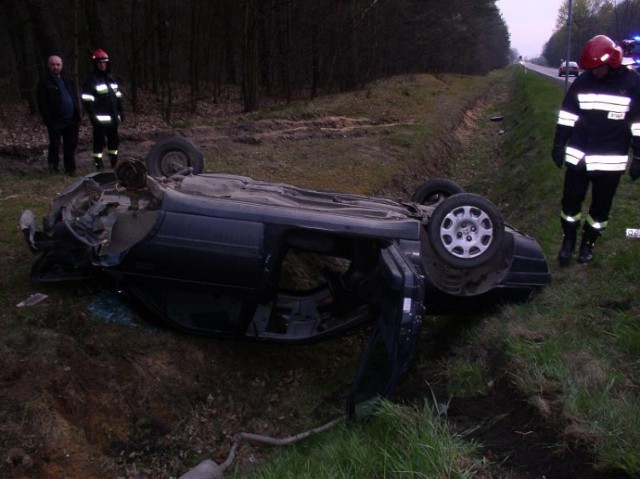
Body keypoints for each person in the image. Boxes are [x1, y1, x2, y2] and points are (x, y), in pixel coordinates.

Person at [552, 34, 640, 266]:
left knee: (601, 208)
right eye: (590, 68)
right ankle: (568, 241)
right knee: (570, 204)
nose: (594, 72)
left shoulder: (632, 83)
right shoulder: (583, 81)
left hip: (611, 160)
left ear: (611, 61)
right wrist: (559, 144)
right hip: (579, 155)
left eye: (597, 68)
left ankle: (588, 244)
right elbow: (567, 114)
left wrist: (639, 155)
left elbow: (638, 123)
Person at [36, 54, 81, 174]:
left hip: (71, 119)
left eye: (58, 64)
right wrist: (48, 121)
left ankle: (70, 169)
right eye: (53, 65)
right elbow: (42, 103)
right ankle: (53, 168)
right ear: (48, 66)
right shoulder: (44, 82)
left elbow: (74, 97)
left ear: (62, 65)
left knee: (70, 145)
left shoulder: (67, 80)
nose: (55, 67)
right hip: (55, 120)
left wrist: (78, 113)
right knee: (55, 145)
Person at [81, 48, 124, 170]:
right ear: (95, 64)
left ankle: (114, 160)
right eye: (100, 62)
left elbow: (118, 97)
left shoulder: (112, 78)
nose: (102, 65)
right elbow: (87, 100)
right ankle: (97, 162)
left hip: (113, 117)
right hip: (99, 118)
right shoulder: (91, 80)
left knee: (114, 141)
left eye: (104, 62)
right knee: (99, 141)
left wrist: (121, 112)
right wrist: (92, 116)